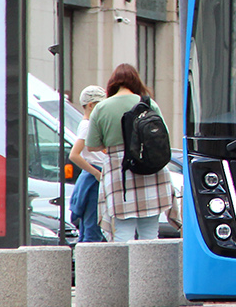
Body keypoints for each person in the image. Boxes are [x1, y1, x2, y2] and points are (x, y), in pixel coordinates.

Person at [80, 64, 172, 241]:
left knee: (123, 232)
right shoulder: (148, 104)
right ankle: (150, 269)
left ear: (113, 84)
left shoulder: (102, 107)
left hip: (119, 171)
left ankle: (126, 269)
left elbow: (91, 145)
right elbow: (164, 136)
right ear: (136, 81)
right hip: (150, 167)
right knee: (150, 233)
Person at [67, 85, 108, 243]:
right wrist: (96, 173)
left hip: (92, 177)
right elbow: (74, 155)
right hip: (93, 178)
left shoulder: (88, 124)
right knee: (92, 226)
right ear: (91, 105)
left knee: (90, 226)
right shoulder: (88, 125)